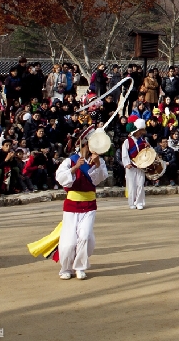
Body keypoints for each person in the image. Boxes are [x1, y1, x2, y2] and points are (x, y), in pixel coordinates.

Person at [53, 133, 108, 279]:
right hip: (71, 205)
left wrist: (97, 164)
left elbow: (98, 179)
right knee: (69, 241)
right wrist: (76, 167)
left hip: (89, 205)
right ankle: (66, 268)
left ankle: (80, 267)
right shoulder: (70, 160)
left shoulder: (99, 161)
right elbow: (60, 177)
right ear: (83, 145)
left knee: (84, 236)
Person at [121, 118, 149, 210]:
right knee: (132, 185)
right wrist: (127, 163)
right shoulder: (127, 141)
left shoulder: (143, 140)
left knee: (140, 184)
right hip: (131, 166)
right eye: (138, 131)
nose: (140, 133)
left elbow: (148, 152)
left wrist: (148, 147)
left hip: (141, 165)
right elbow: (124, 153)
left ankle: (139, 202)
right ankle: (132, 202)